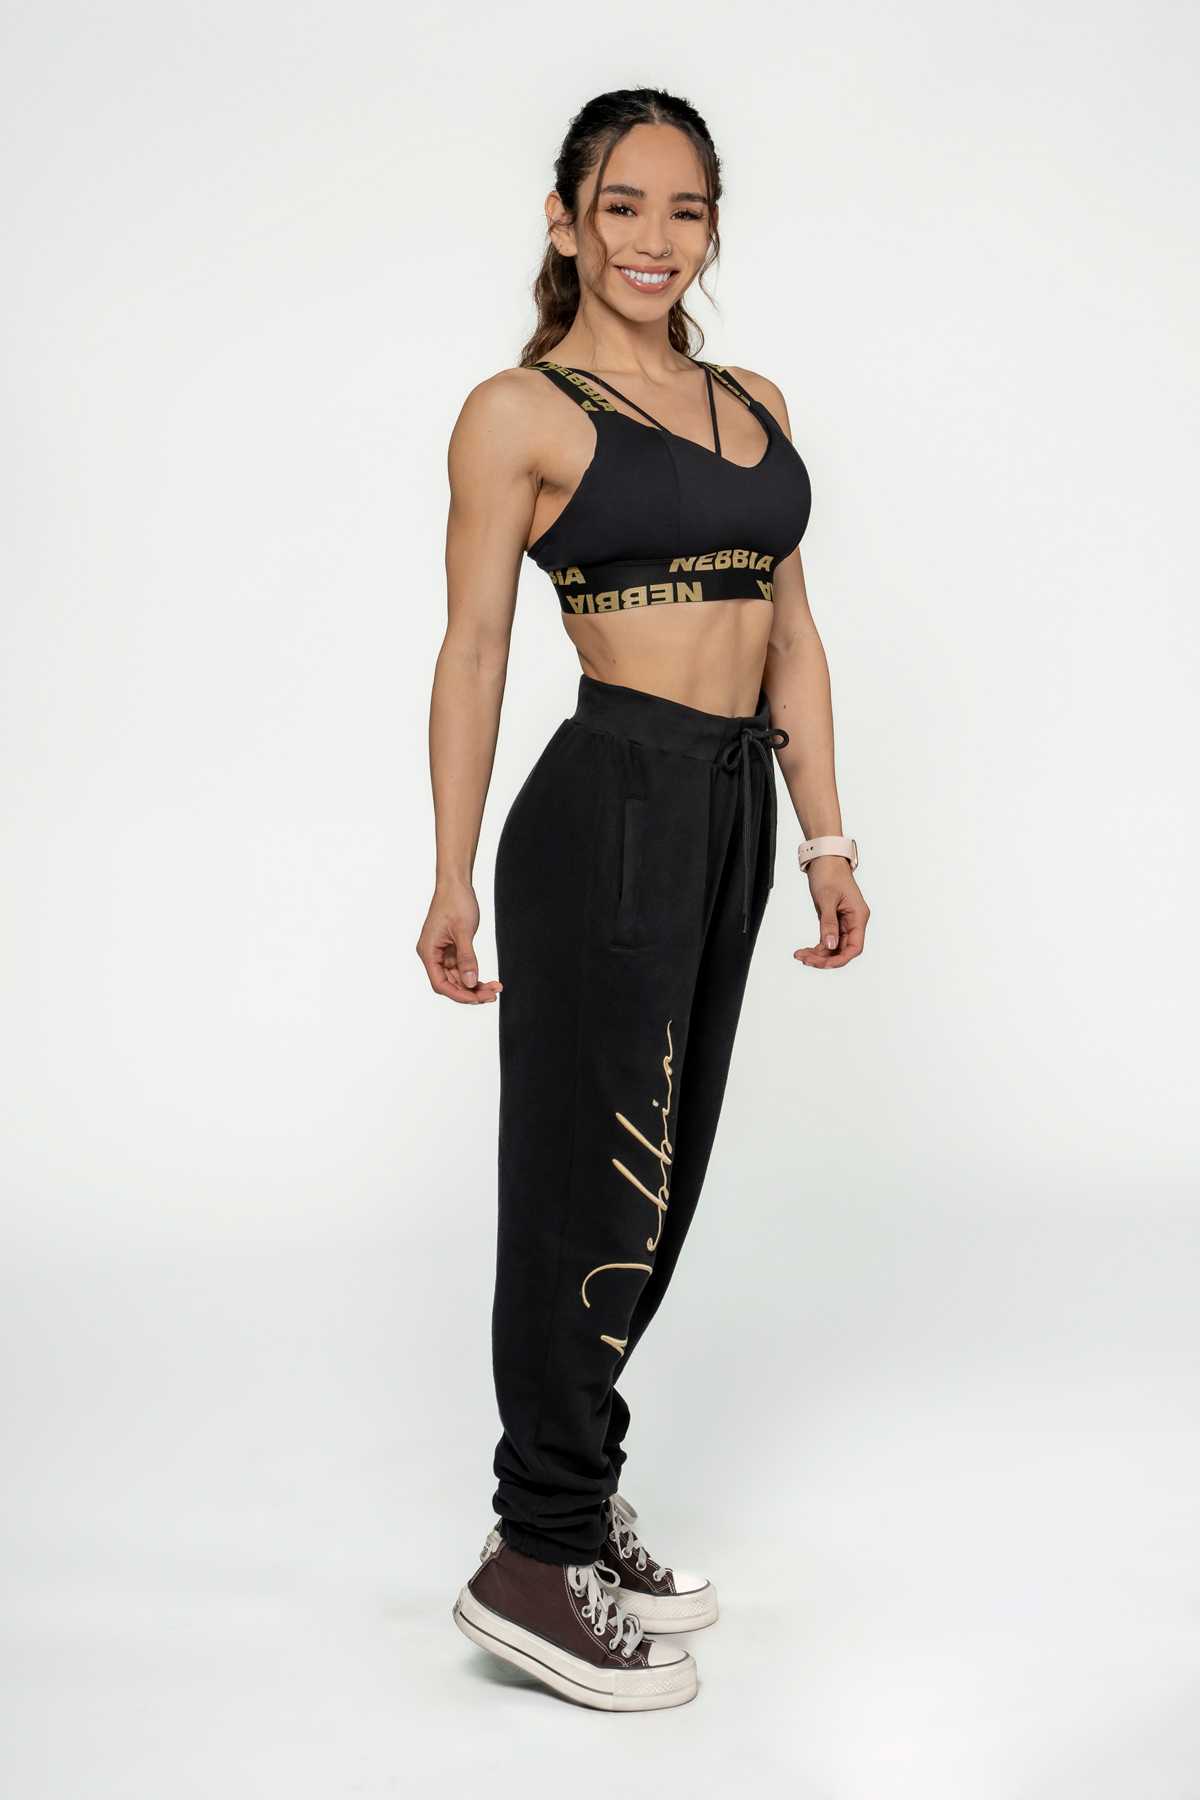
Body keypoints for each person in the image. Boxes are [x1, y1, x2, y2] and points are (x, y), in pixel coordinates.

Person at [418, 85, 870, 1712]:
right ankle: (533, 1556)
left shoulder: (755, 402)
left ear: (712, 227)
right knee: (588, 1178)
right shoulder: (519, 413)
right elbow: (477, 649)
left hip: (730, 803)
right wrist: (450, 870)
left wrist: (825, 838)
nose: (654, 239)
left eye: (685, 209)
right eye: (622, 206)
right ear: (567, 220)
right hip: (608, 802)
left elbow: (790, 630)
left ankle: (573, 1487)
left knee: (660, 1176)